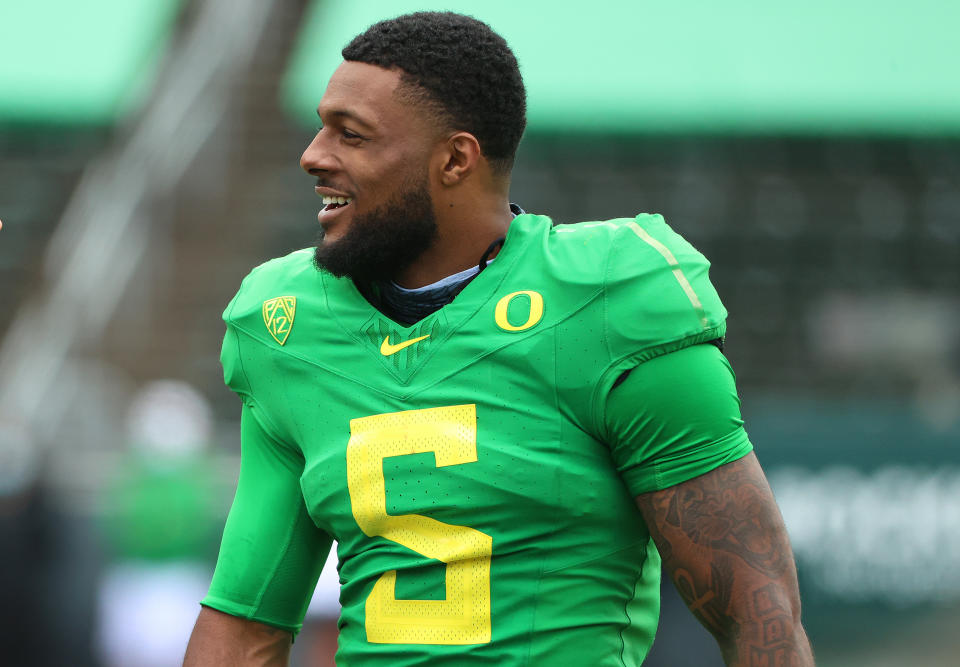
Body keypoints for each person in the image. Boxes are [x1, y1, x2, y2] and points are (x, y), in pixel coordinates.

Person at [185, 11, 813, 666]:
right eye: (323, 126)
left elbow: (758, 615)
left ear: (455, 158)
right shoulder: (290, 326)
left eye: (352, 135)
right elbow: (244, 624)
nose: (314, 154)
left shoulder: (605, 301)